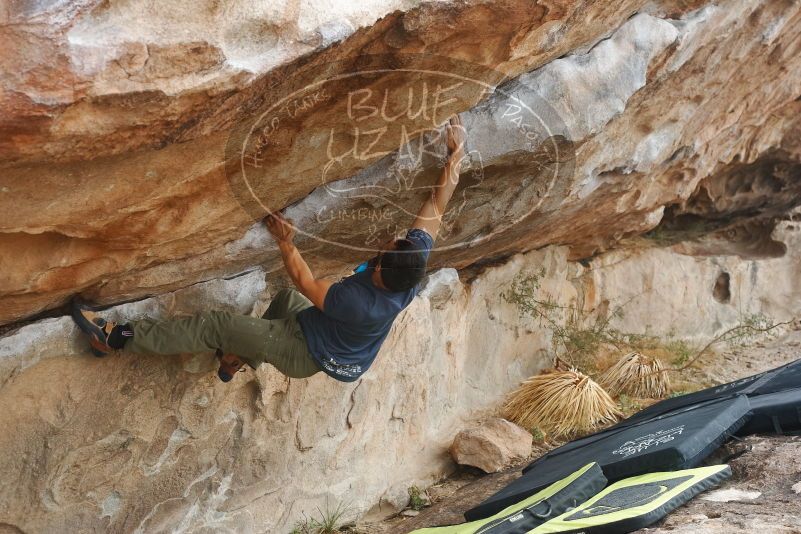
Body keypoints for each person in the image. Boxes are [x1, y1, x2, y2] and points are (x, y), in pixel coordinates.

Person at [71, 116, 466, 383]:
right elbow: (435, 205)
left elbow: (303, 276)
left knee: (217, 325)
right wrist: (456, 152)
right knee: (284, 301)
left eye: (383, 253)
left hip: (306, 354)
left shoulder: (357, 300)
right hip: (334, 341)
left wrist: (285, 240)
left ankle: (115, 337)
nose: (386, 244)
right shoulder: (410, 268)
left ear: (381, 275)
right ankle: (234, 358)